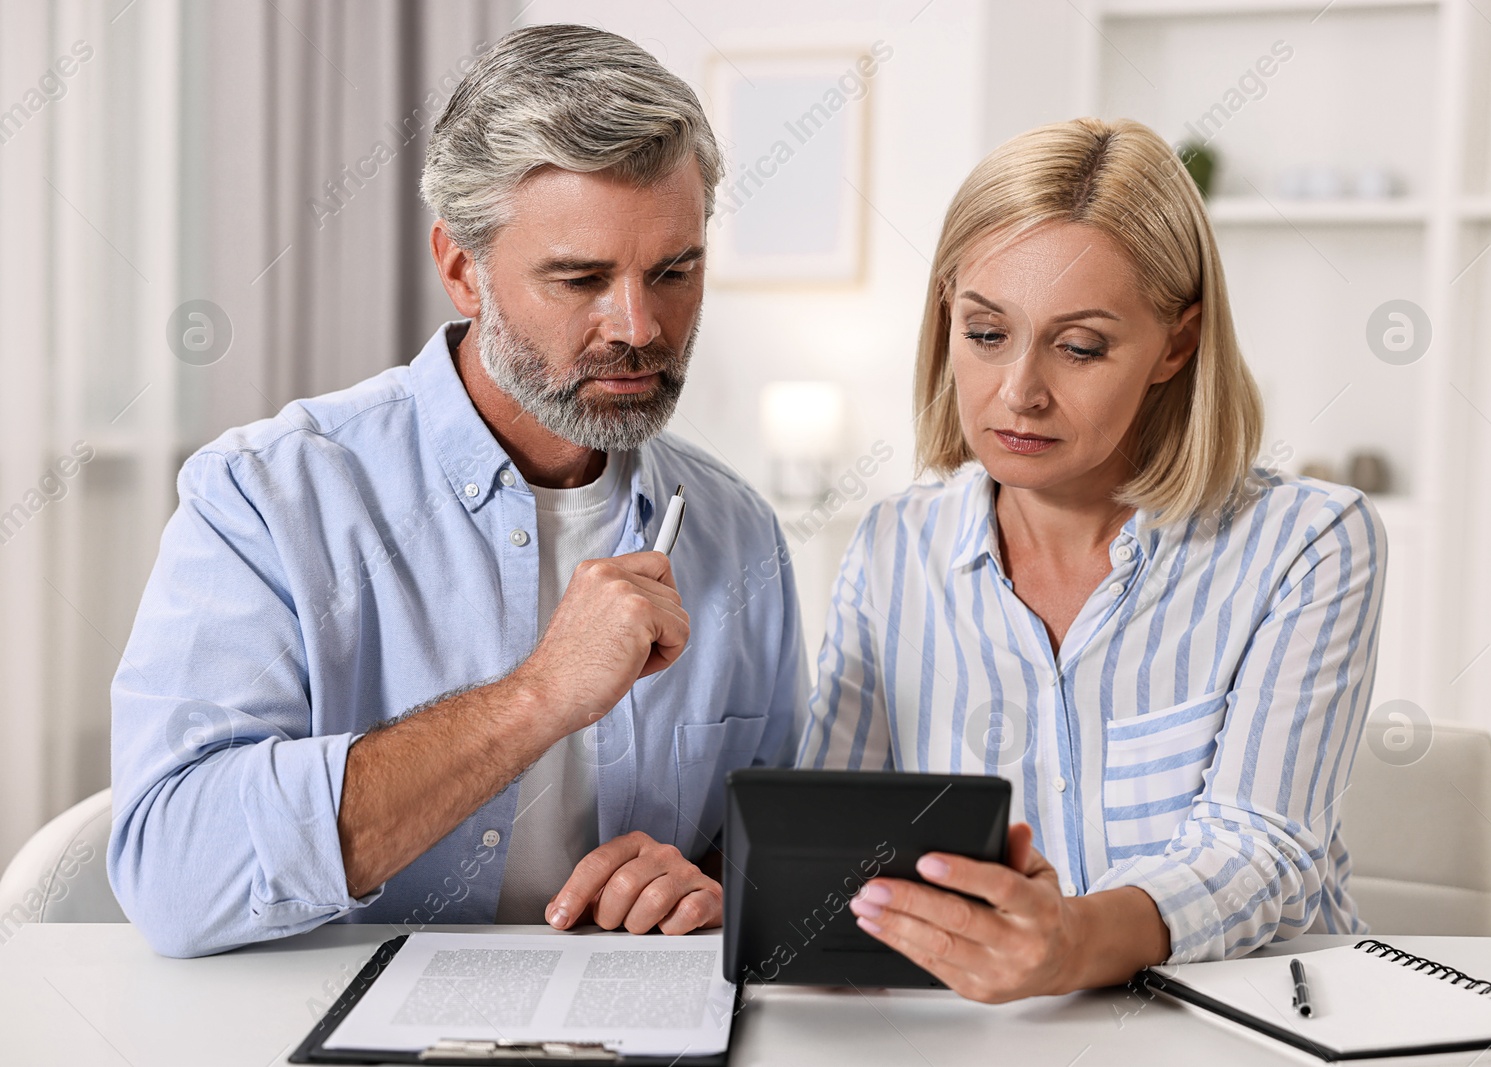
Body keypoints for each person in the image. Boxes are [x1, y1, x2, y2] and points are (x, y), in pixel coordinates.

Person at [108, 24, 804, 958]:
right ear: (460, 269)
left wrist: (715, 891)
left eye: (675, 271)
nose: (640, 326)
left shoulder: (739, 533)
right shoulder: (268, 498)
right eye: (581, 277)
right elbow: (174, 877)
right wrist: (537, 697)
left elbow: (776, 856)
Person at [798, 118, 1386, 1002]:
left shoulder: (1306, 540)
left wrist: (1072, 941)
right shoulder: (892, 547)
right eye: (986, 333)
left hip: (1257, 1022)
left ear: (1176, 345)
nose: (1018, 392)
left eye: (1079, 347)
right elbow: (826, 840)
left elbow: (1264, 846)